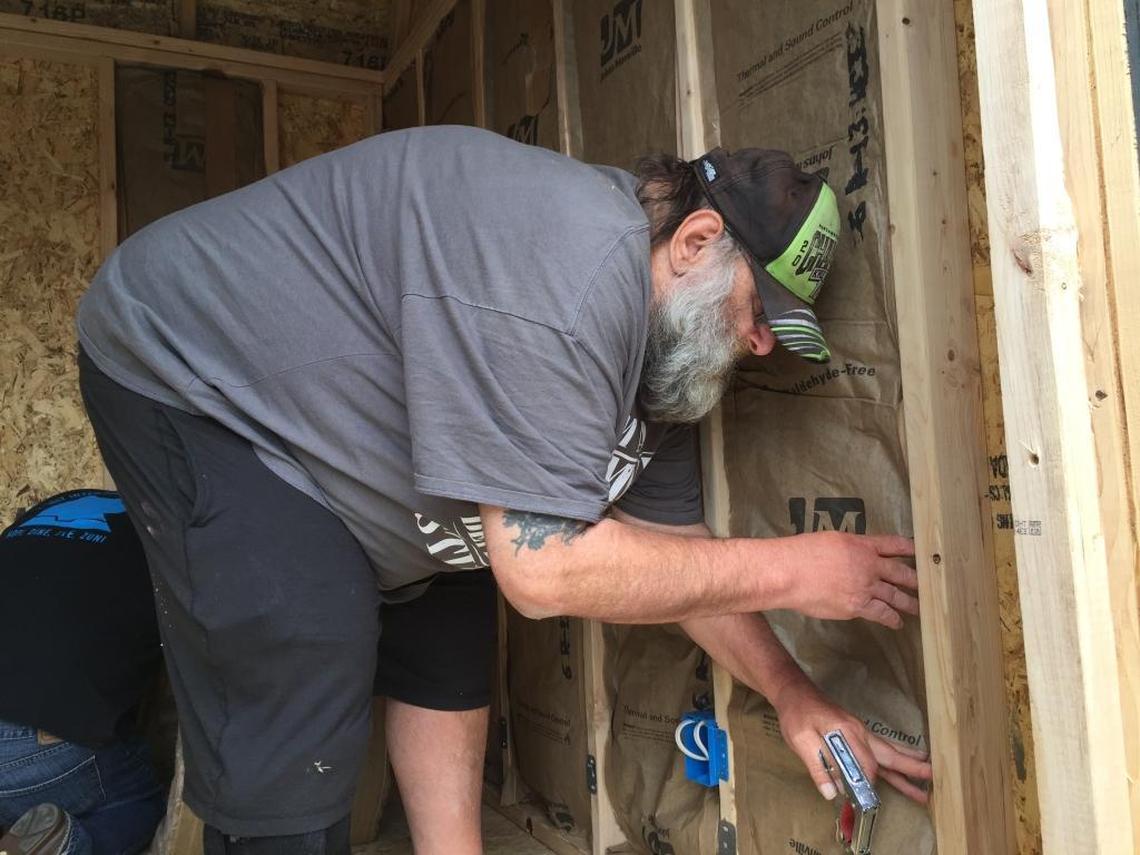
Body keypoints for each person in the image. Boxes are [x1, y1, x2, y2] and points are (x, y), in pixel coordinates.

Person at [75, 126, 931, 855]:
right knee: (309, 635)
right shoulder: (571, 267)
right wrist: (796, 568)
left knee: (454, 585)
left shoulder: (667, 357)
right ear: (697, 240)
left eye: (778, 330)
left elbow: (686, 563)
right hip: (196, 378)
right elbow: (547, 569)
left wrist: (791, 690)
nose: (759, 345)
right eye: (756, 311)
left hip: (363, 443)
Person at [0, 490, 166, 855]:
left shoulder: (54, 508)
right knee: (140, 804)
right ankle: (65, 847)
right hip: (36, 741)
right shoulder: (171, 527)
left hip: (21, 751)